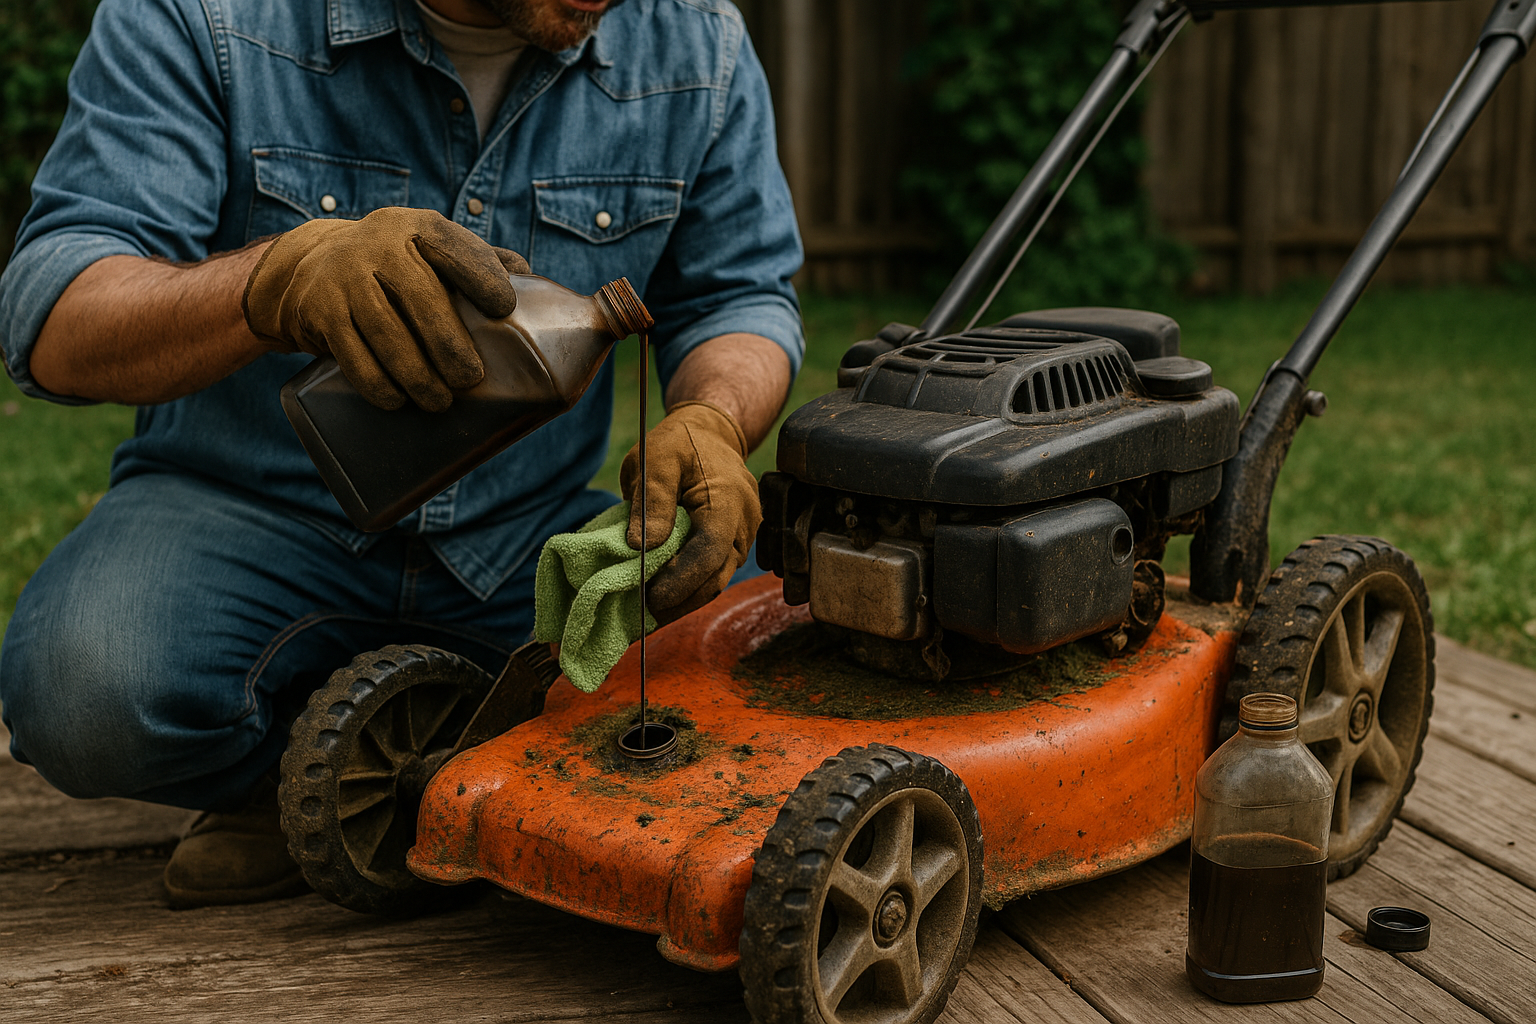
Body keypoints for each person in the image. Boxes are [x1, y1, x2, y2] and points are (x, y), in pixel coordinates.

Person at [0, 0, 802, 907]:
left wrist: (713, 420)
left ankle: (373, 782)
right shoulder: (200, 16)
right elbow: (57, 309)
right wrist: (272, 283)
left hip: (522, 542)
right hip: (249, 510)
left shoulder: (699, 43)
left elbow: (740, 296)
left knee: (775, 651)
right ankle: (357, 774)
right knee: (86, 692)